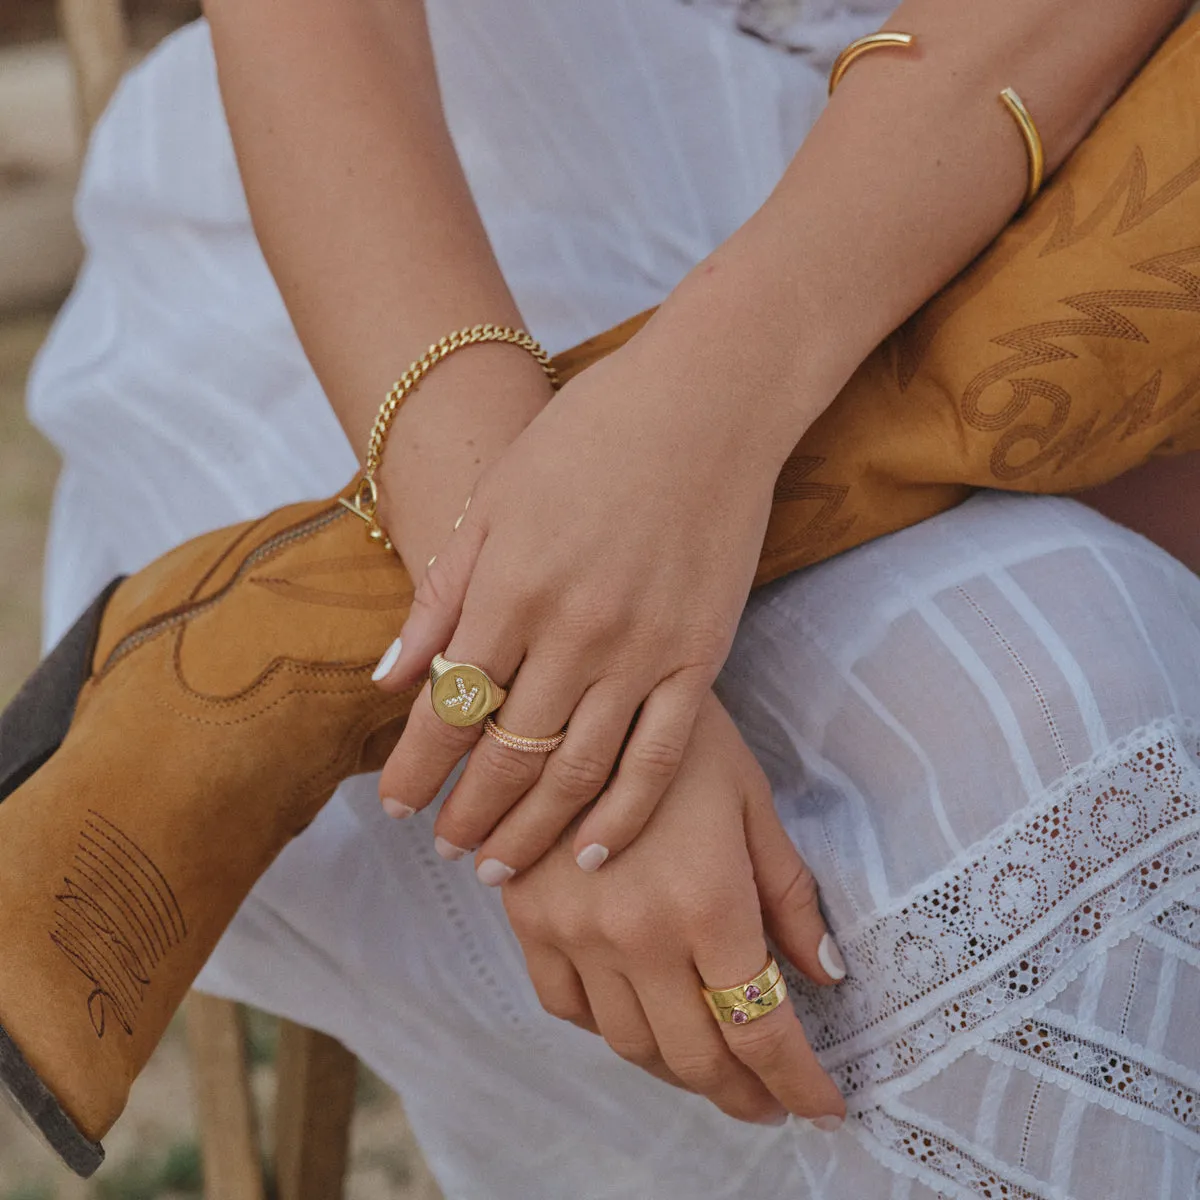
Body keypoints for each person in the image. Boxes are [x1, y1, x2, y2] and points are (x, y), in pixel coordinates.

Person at [27, 0, 1200, 1194]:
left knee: (1086, 720)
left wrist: (704, 408)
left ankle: (267, 639)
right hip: (431, 216)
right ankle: (294, 633)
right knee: (1048, 726)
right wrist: (554, 701)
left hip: (1012, 176)